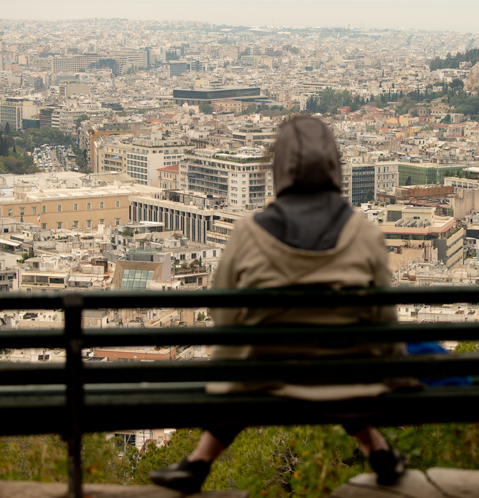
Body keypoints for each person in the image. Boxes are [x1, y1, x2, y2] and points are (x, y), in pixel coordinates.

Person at [150, 115, 408, 495]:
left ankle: (199, 461)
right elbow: (383, 318)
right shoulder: (366, 232)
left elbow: (223, 313)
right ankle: (378, 449)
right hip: (346, 380)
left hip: (262, 380)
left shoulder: (248, 232)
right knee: (332, 360)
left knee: (250, 362)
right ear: (335, 166)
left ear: (278, 169)